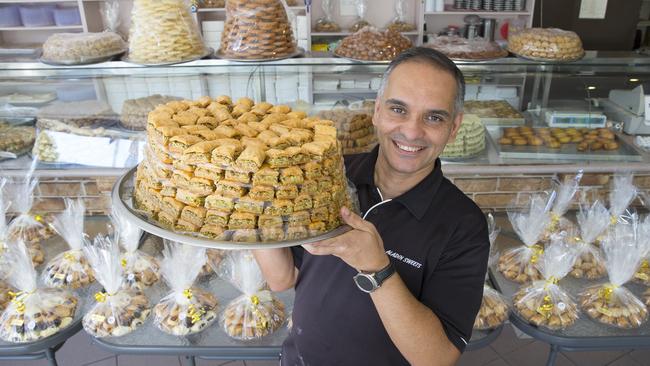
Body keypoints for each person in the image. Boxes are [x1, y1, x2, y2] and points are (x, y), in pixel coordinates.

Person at [253, 47, 489, 366]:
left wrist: (377, 268)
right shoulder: (330, 175)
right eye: (398, 109)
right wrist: (254, 203)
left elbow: (436, 357)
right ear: (377, 111)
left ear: (454, 127)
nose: (411, 131)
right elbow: (283, 278)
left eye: (434, 117)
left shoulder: (463, 225)